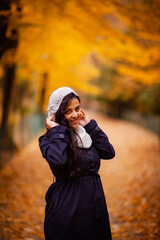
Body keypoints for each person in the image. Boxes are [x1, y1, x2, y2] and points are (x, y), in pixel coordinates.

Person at [39, 87, 115, 240]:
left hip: (95, 208)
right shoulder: (49, 140)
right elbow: (59, 162)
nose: (75, 115)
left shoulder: (86, 134)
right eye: (68, 111)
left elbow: (109, 152)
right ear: (56, 115)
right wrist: (57, 131)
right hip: (68, 210)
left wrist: (90, 126)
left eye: (77, 108)